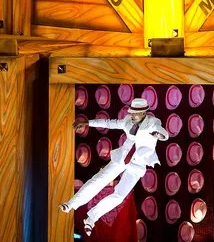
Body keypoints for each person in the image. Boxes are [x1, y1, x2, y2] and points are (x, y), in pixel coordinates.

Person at [61, 98, 168, 236]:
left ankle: (91, 218)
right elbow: (109, 123)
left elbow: (164, 133)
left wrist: (159, 134)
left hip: (137, 164)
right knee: (98, 180)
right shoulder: (128, 121)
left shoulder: (153, 123)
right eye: (131, 112)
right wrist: (88, 123)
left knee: (119, 195)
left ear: (144, 113)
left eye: (136, 113)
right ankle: (71, 204)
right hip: (122, 158)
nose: (132, 115)